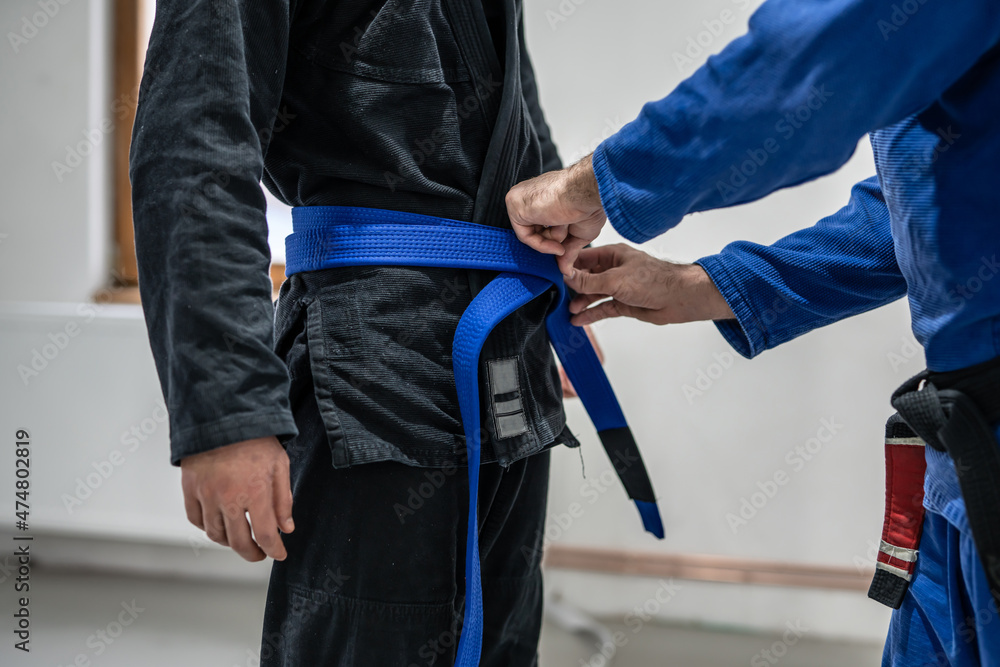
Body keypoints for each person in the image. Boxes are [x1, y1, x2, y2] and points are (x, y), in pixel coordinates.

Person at [505, 0, 1000, 665]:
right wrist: (702, 287)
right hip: (965, 447)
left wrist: (600, 183)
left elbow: (823, 52)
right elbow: (921, 199)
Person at [129, 2, 588, 664]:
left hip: (509, 352)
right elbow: (195, 144)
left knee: (502, 643)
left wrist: (558, 295)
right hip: (375, 369)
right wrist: (226, 410)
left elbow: (514, 122)